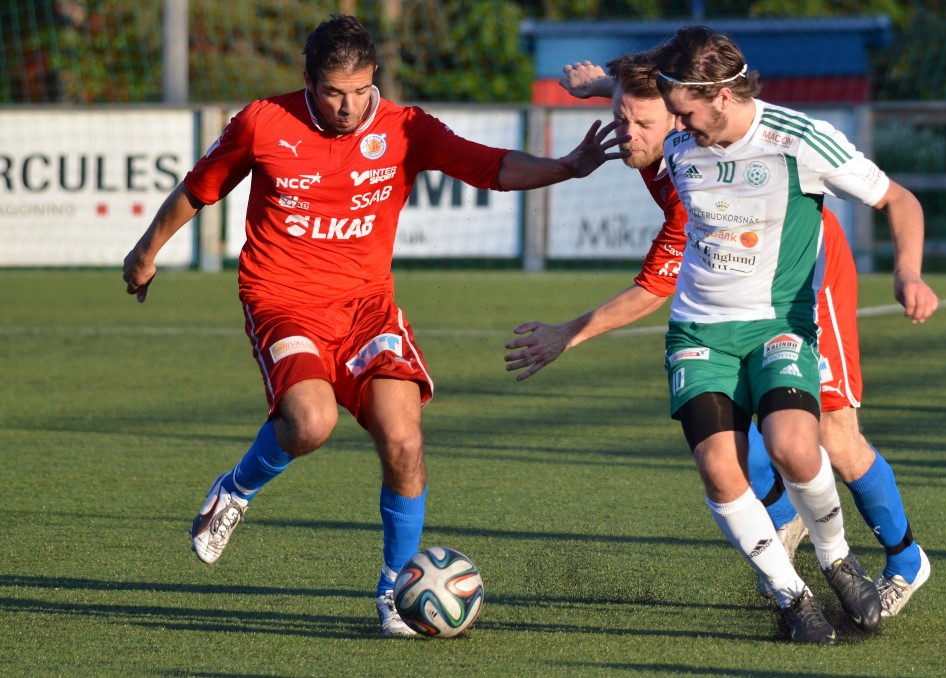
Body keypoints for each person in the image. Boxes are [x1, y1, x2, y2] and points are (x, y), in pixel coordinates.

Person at [121, 14, 629, 638]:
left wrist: (567, 166)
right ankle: (236, 490)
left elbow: (491, 166)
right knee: (311, 423)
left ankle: (394, 592)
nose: (349, 106)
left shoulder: (405, 127)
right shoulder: (263, 122)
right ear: (308, 80)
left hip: (367, 309)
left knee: (404, 442)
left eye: (361, 90)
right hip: (284, 301)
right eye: (334, 92)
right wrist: (145, 252)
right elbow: (198, 190)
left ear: (374, 78)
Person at [506, 55, 931, 620]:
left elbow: (653, 288)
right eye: (620, 117)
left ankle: (905, 561)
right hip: (728, 301)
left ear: (684, 117)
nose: (626, 133)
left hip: (800, 275)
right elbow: (659, 88)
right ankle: (786, 520)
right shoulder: (664, 132)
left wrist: (567, 334)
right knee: (727, 422)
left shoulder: (692, 152)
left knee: (831, 433)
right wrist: (604, 85)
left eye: (645, 122)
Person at [649, 26, 937, 643]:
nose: (678, 125)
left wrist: (908, 274)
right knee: (721, 470)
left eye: (685, 112)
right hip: (699, 330)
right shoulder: (679, 144)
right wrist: (604, 85)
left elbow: (900, 200)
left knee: (798, 446)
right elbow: (645, 94)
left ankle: (837, 561)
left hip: (779, 325)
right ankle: (791, 598)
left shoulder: (798, 139)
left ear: (722, 96)